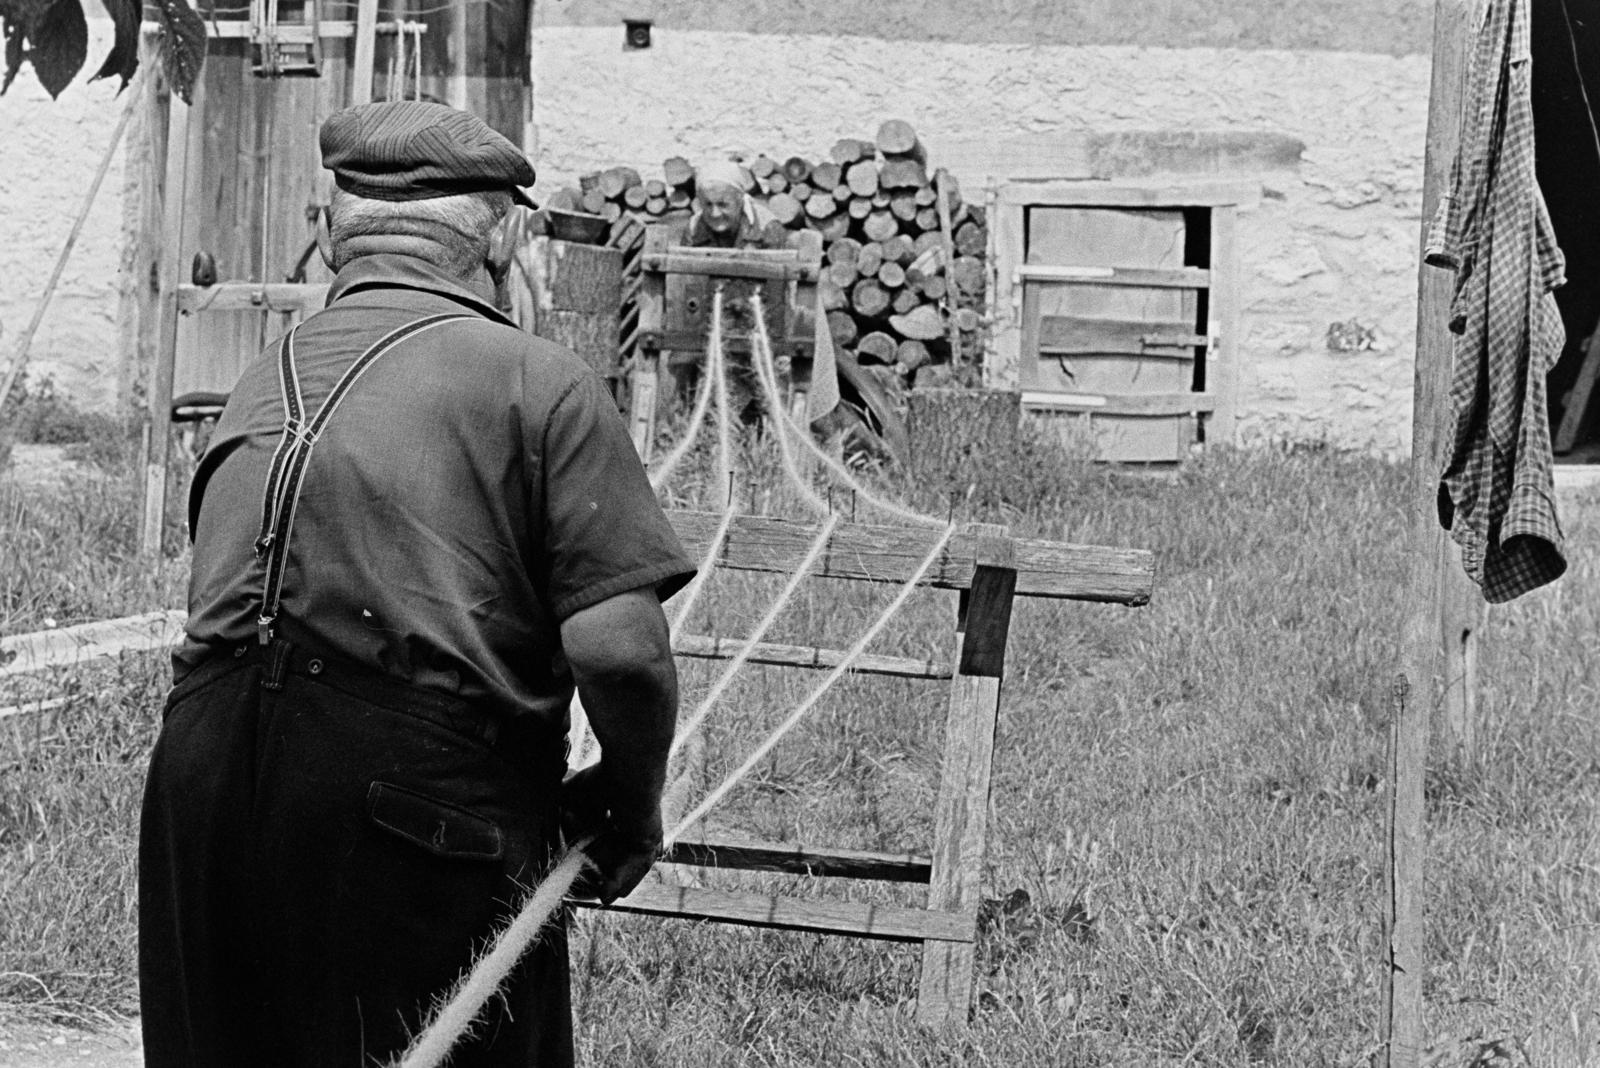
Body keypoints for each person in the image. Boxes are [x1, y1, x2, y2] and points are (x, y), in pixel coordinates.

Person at [137, 100, 695, 1068]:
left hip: (198, 795)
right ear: (504, 237)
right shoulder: (538, 380)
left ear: (332, 234)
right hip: (412, 806)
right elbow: (620, 650)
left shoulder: (261, 377)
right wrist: (631, 799)